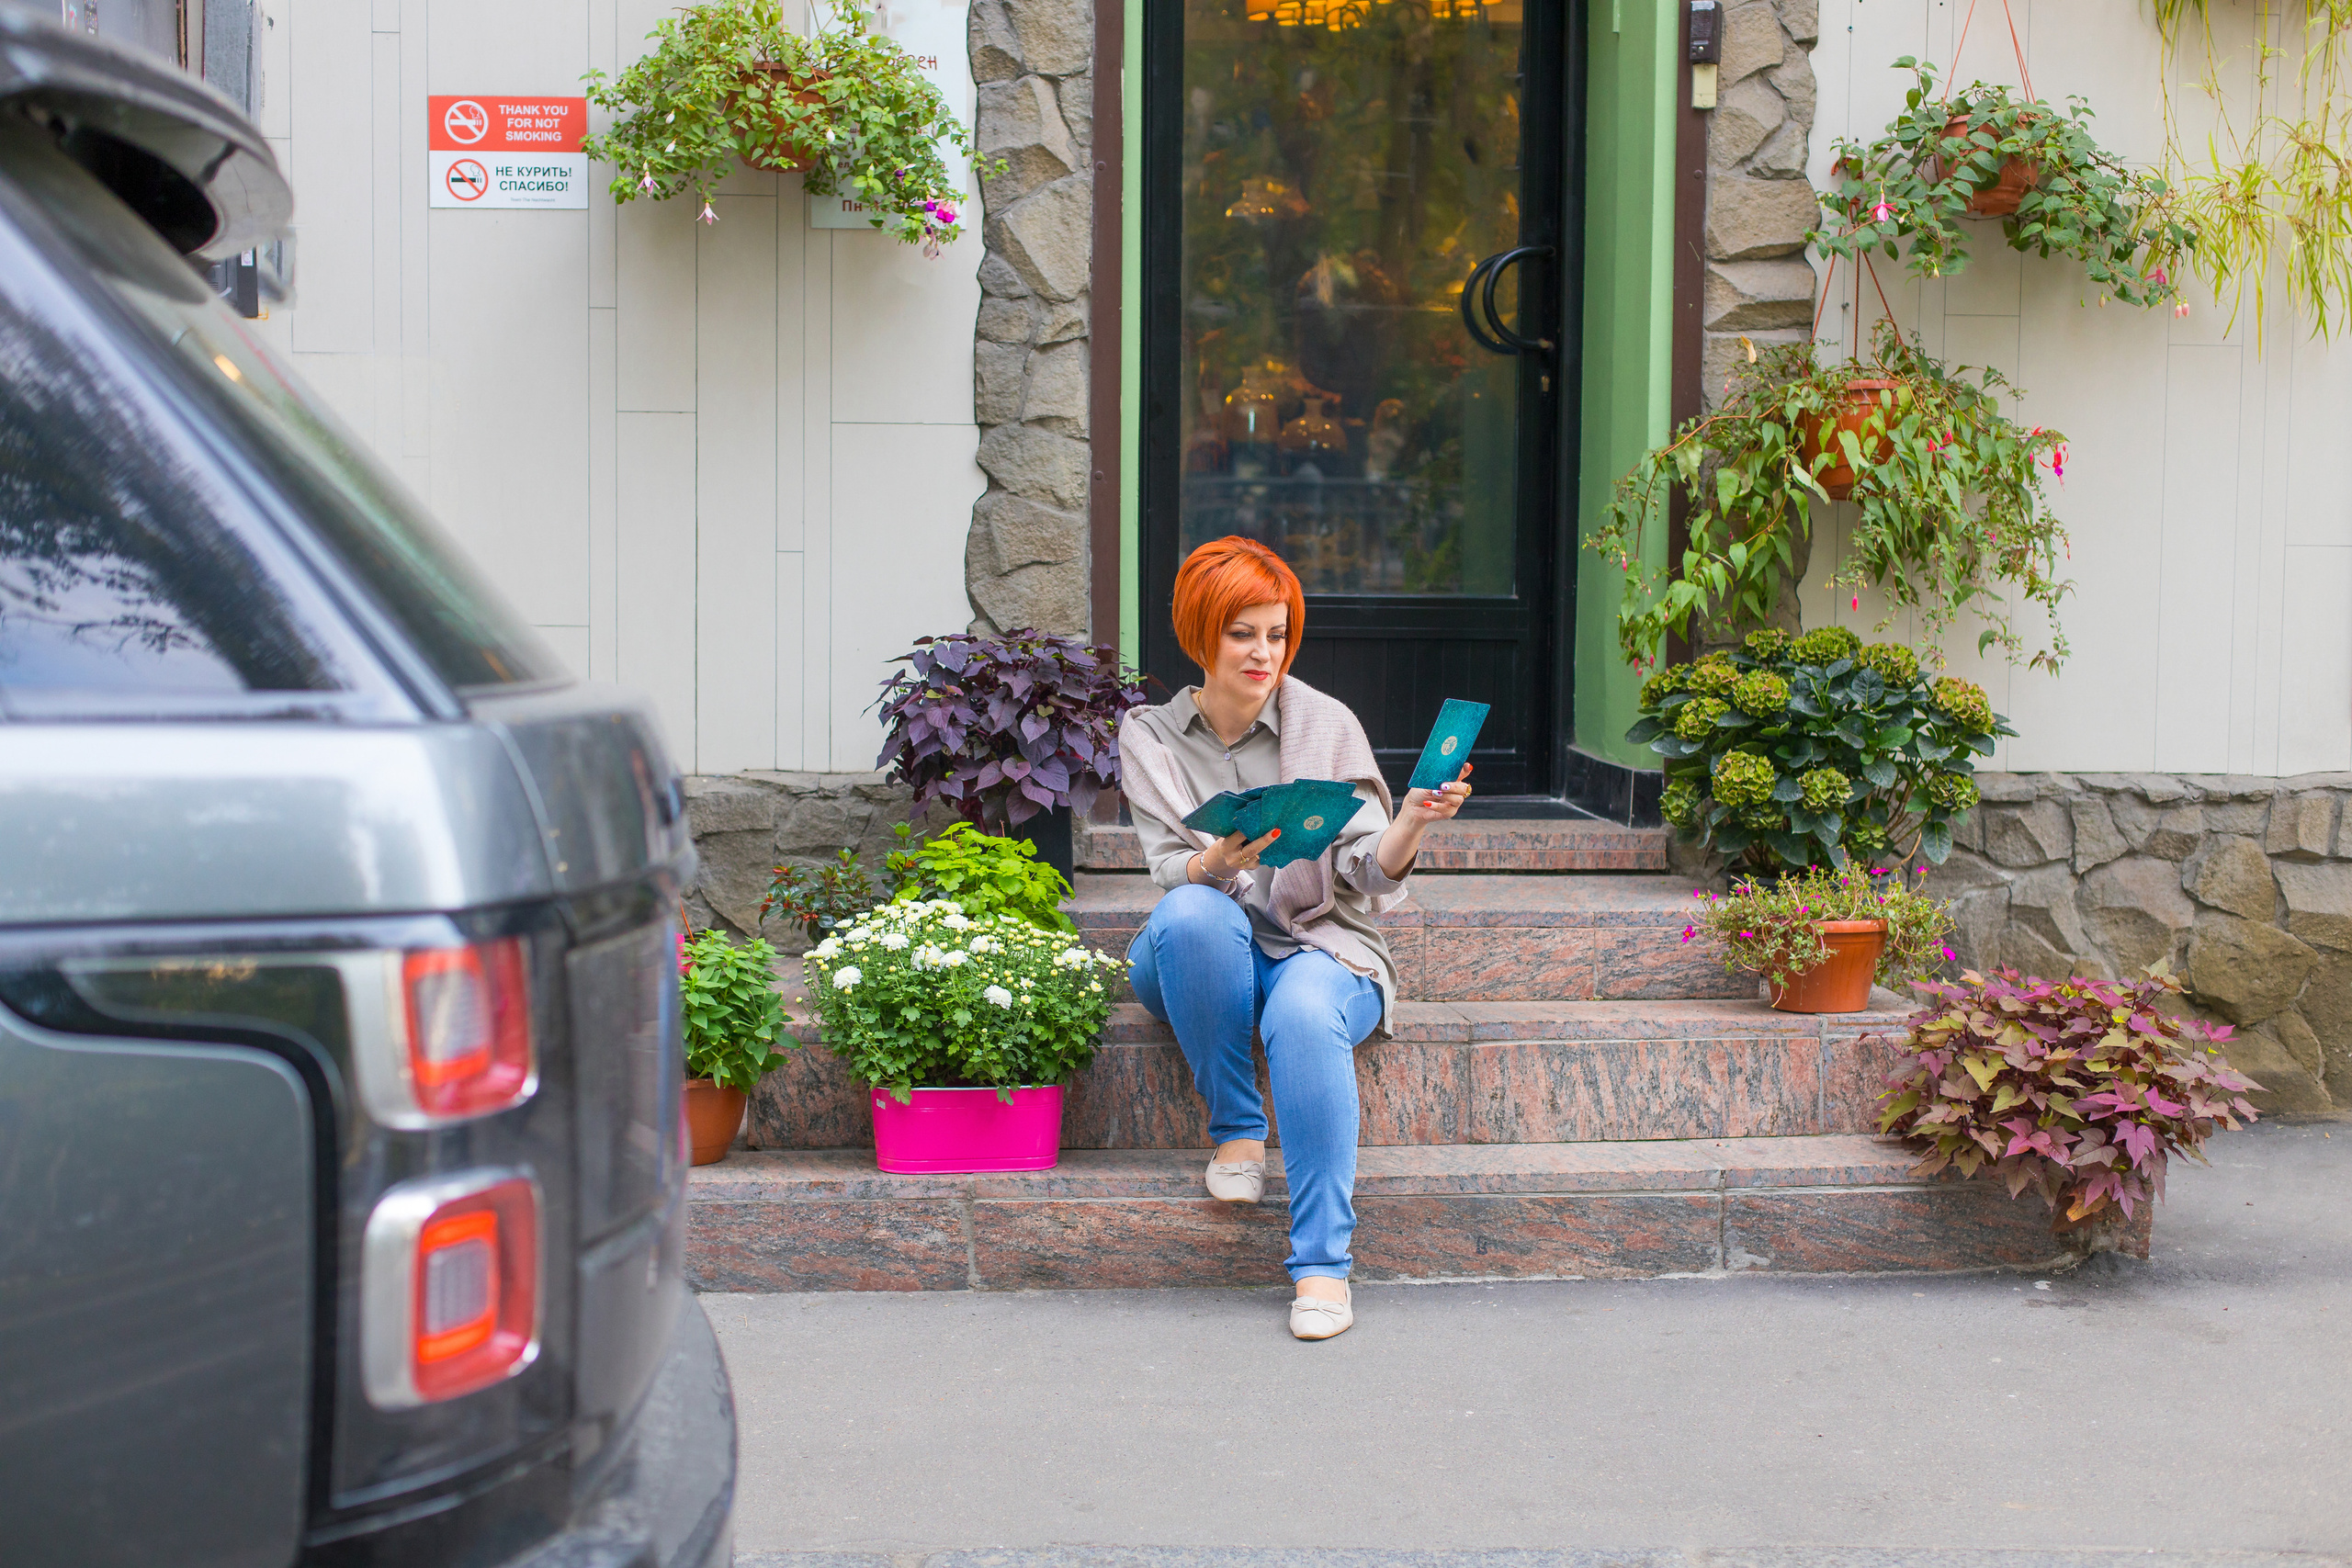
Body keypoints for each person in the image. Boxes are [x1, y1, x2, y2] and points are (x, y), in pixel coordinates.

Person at [1117, 536, 1471, 1340]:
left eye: (1276, 633)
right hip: (1200, 948)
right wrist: (1213, 860)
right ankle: (1238, 1134)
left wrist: (1412, 818)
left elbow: (1367, 876)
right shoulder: (1150, 735)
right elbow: (1169, 869)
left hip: (1319, 939)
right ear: (1201, 633)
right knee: (1195, 912)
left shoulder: (1326, 724)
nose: (1262, 652)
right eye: (1243, 632)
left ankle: (1322, 1270)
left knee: (1307, 1015)